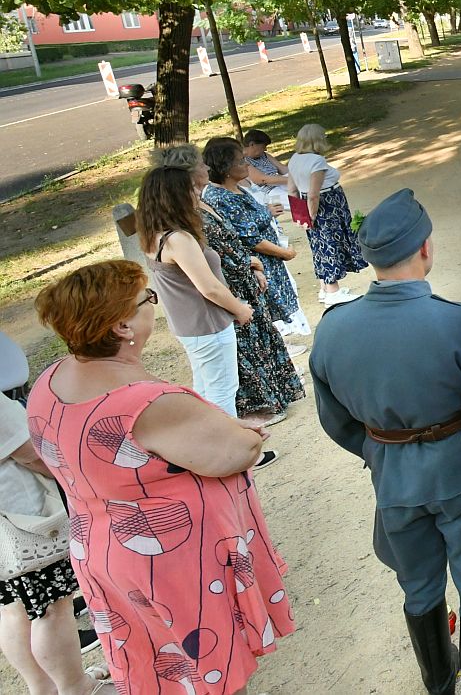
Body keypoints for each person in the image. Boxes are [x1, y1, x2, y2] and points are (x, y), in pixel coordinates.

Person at [30, 260, 294, 695]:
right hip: (169, 559)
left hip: (101, 552)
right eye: (147, 300)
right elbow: (237, 452)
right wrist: (240, 432)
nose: (154, 304)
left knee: (158, 670)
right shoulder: (147, 401)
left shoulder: (49, 381)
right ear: (120, 326)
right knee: (212, 673)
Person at [310, 190, 461, 695]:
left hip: (392, 476)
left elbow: (336, 421)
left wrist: (382, 450)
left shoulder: (333, 330)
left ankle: (439, 684)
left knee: (417, 584)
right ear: (426, 248)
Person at [183, 144, 303, 431]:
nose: (206, 169)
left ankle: (275, 395)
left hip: (249, 273)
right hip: (233, 285)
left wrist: (250, 263)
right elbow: (230, 243)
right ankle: (251, 413)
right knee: (238, 356)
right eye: (201, 166)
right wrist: (257, 261)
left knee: (262, 337)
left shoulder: (206, 200)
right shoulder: (201, 207)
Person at [135, 150, 253, 419]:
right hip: (208, 324)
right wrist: (240, 309)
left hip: (190, 326)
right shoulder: (178, 239)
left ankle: (213, 451)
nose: (196, 194)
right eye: (189, 190)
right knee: (222, 389)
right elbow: (208, 287)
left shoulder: (154, 235)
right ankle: (230, 456)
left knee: (205, 387)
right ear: (173, 196)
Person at [0, 394, 104, 695]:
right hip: (24, 517)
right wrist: (77, 478)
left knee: (13, 608)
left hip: (9, 526)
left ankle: (44, 689)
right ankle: (77, 688)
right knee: (52, 609)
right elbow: (28, 451)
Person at [202, 137, 310, 345]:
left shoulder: (237, 188)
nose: (247, 164)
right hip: (259, 264)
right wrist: (284, 253)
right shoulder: (220, 196)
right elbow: (249, 238)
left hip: (270, 260)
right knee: (265, 312)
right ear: (225, 167)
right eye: (241, 161)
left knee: (275, 312)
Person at [286, 123, 366, 305]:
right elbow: (314, 194)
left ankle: (324, 288)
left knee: (319, 245)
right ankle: (333, 291)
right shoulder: (317, 161)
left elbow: (291, 190)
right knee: (331, 244)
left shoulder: (295, 159)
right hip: (328, 206)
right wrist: (313, 215)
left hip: (310, 205)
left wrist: (301, 215)